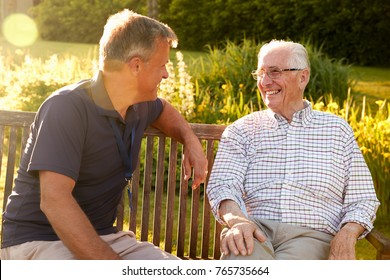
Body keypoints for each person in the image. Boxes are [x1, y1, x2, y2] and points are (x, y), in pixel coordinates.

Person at [1, 9, 208, 260]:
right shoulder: (67, 107)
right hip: (38, 242)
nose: (166, 74)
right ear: (136, 65)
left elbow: (163, 109)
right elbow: (54, 200)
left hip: (105, 238)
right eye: (162, 65)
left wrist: (191, 140)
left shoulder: (138, 104)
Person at [206, 40, 380, 260]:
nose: (265, 81)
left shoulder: (337, 130)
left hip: (311, 235)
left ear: (303, 77)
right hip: (253, 230)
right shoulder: (242, 130)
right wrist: (238, 221)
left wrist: (348, 233)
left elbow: (363, 198)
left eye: (275, 72)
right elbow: (223, 186)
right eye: (261, 73)